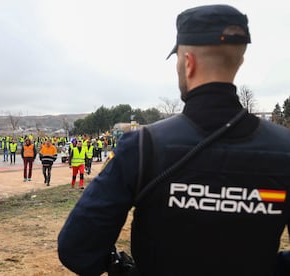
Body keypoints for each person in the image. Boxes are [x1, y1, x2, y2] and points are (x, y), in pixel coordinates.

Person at [58, 5, 290, 276]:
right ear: (239, 61)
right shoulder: (284, 149)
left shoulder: (143, 146)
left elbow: (77, 250)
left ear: (188, 62)